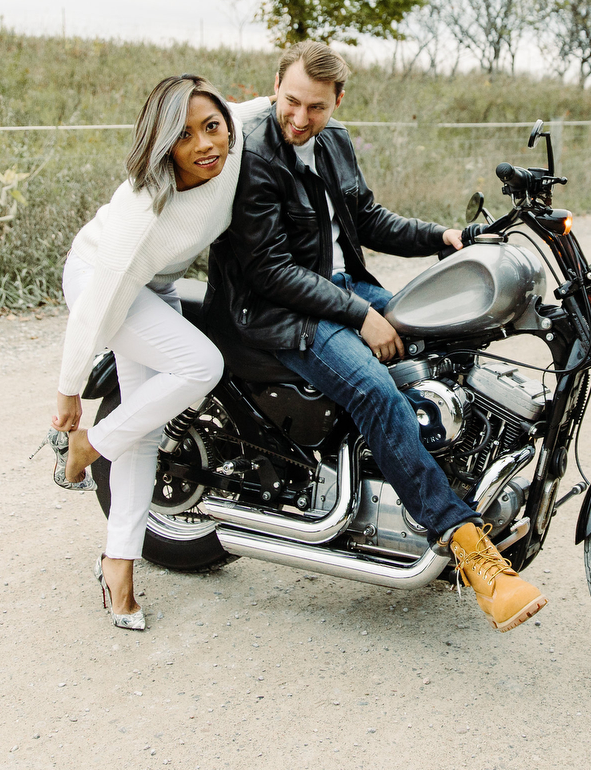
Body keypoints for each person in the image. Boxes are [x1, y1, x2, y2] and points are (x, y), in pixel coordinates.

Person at [208, 41, 548, 632]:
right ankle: (465, 547)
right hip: (276, 311)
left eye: (315, 107)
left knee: (439, 346)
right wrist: (361, 316)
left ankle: (423, 478)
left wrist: (444, 238)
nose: (299, 118)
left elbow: (365, 217)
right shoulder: (256, 153)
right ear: (276, 88)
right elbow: (268, 270)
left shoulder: (333, 141)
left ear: (338, 101)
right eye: (291, 102)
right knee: (374, 390)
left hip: (337, 288)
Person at [45, 74, 270, 630]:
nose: (206, 145)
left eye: (212, 127)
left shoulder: (235, 130)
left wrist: (314, 109)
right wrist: (69, 386)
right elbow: (98, 303)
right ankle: (87, 445)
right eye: (186, 136)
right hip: (104, 277)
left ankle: (118, 564)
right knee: (201, 364)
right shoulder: (142, 204)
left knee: (145, 426)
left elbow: (284, 101)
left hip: (158, 283)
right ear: (163, 144)